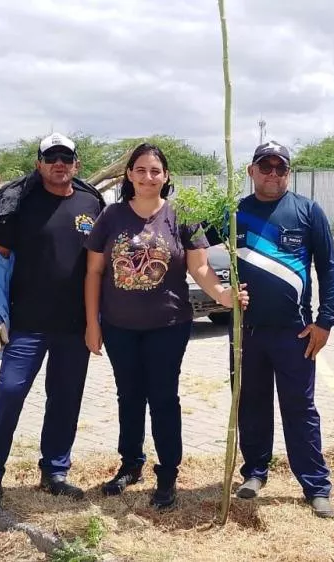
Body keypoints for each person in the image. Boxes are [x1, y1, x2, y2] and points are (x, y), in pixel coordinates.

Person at [83, 143, 247, 510]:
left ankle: (168, 471)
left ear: (166, 176)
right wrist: (92, 323)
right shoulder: (111, 216)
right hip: (119, 326)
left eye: (155, 171)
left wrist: (222, 295)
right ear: (129, 174)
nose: (148, 177)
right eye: (140, 170)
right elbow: (93, 272)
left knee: (163, 397)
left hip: (168, 325)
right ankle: (130, 464)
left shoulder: (180, 216)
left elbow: (200, 267)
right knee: (128, 396)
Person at [0, 133, 106, 517]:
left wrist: (97, 321)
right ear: (39, 164)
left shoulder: (91, 203)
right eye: (51, 157)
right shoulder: (19, 203)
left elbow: (101, 265)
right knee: (9, 393)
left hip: (73, 327)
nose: (59, 163)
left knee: (65, 399)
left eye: (66, 157)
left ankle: (55, 472)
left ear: (76, 164)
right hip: (27, 326)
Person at [213, 140, 334, 518]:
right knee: (250, 404)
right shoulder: (233, 213)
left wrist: (325, 321)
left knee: (300, 409)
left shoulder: (307, 211)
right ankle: (255, 472)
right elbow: (192, 243)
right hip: (246, 332)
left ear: (288, 172)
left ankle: (315, 485)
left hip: (295, 333)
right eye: (265, 167)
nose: (272, 174)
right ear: (251, 171)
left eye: (280, 168)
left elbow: (328, 267)